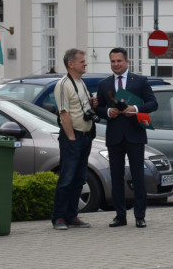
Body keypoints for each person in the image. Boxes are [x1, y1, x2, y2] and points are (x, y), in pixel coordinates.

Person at [93, 47, 158, 228]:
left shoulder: (139, 81)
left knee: (138, 176)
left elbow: (153, 103)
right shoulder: (104, 84)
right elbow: (97, 109)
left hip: (135, 134)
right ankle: (120, 215)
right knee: (116, 176)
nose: (116, 64)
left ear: (127, 61)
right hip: (114, 136)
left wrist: (135, 109)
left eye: (119, 61)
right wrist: (107, 111)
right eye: (113, 61)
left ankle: (140, 215)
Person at [51, 48, 96, 230]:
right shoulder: (63, 84)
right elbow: (64, 113)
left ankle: (72, 215)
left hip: (85, 136)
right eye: (82, 61)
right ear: (71, 64)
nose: (85, 63)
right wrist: (71, 138)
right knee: (67, 177)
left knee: (79, 178)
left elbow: (81, 107)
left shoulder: (81, 82)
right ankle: (59, 217)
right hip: (73, 136)